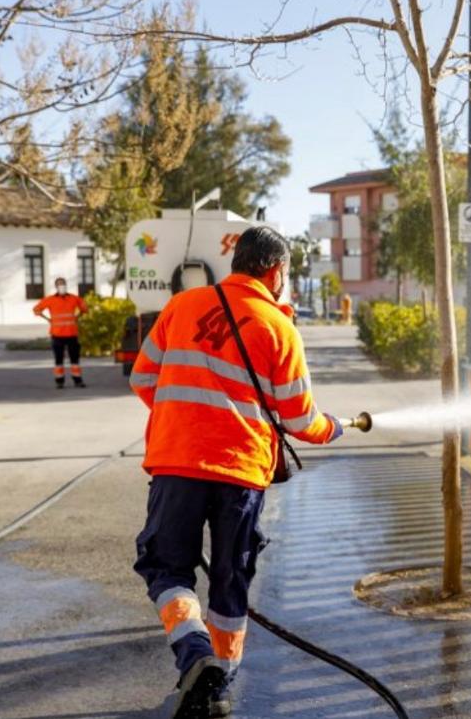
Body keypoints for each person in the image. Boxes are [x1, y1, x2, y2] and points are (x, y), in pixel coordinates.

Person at [129, 227, 344, 719]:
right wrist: (332, 428)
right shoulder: (279, 326)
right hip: (241, 470)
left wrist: (181, 417)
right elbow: (299, 420)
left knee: (167, 568)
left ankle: (193, 656)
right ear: (276, 271)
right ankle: (219, 685)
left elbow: (144, 379)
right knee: (230, 579)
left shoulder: (183, 306)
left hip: (176, 460)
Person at [32, 278, 89, 388]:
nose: (61, 286)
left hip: (71, 334)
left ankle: (77, 380)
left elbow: (85, 308)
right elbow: (36, 309)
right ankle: (59, 381)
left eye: (63, 284)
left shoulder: (74, 298)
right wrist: (48, 319)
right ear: (56, 287)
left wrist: (77, 317)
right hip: (57, 334)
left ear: (66, 285)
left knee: (75, 359)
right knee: (58, 360)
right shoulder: (50, 300)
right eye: (59, 284)